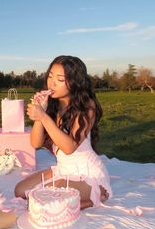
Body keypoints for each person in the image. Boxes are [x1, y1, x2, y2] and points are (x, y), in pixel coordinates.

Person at [15, 55, 112, 209]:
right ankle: (78, 202)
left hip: (87, 174)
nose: (51, 83)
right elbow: (35, 143)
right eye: (50, 76)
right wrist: (41, 114)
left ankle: (95, 195)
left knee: (48, 199)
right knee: (20, 190)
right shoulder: (53, 105)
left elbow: (69, 147)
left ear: (74, 83)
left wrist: (44, 117)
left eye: (60, 80)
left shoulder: (87, 106)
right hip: (63, 170)